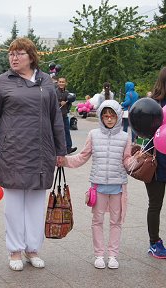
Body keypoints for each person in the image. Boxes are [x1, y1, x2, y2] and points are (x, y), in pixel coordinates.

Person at [0, 37, 66, 271]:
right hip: (13, 151)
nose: (14, 58)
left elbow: (56, 118)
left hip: (41, 151)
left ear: (31, 56)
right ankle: (15, 250)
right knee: (15, 205)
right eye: (11, 54)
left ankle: (32, 249)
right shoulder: (2, 82)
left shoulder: (46, 81)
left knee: (36, 204)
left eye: (19, 53)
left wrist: (61, 150)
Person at [63, 100, 132, 269]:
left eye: (112, 116)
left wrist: (137, 161)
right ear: (101, 117)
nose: (109, 119)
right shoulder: (93, 134)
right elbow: (82, 156)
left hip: (118, 187)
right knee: (97, 221)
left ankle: (113, 255)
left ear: (118, 117)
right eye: (105, 116)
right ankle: (99, 255)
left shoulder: (125, 137)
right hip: (98, 186)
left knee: (116, 222)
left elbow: (127, 161)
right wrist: (63, 161)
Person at [145, 66, 166, 259]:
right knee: (155, 204)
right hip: (156, 162)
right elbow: (142, 130)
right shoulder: (153, 104)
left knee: (155, 204)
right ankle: (154, 243)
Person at [56, 77, 77, 154]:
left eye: (63, 82)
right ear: (58, 83)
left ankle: (68, 147)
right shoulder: (54, 92)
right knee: (56, 132)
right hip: (56, 116)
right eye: (60, 82)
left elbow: (70, 103)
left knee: (66, 131)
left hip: (64, 115)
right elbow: (51, 102)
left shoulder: (67, 93)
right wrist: (59, 103)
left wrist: (67, 105)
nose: (61, 83)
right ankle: (57, 148)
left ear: (66, 83)